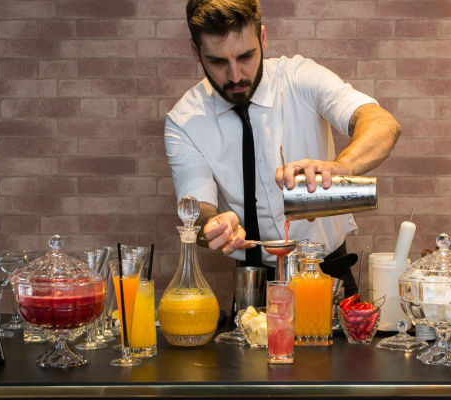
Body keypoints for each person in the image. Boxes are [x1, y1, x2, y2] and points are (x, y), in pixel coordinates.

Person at [164, 0, 401, 297]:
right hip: (253, 284)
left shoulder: (300, 78)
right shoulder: (185, 121)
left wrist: (341, 167)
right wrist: (213, 225)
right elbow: (197, 213)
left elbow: (382, 124)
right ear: (195, 51)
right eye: (218, 61)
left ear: (262, 38)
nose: (236, 75)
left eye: (246, 56)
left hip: (329, 273)